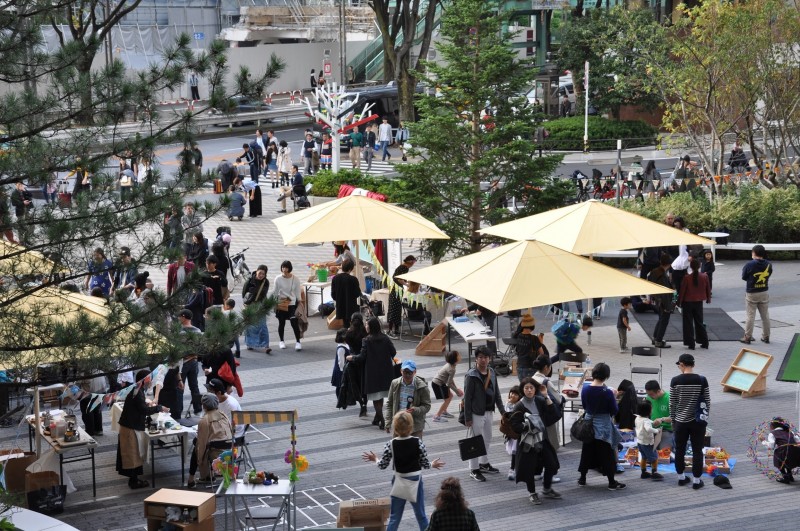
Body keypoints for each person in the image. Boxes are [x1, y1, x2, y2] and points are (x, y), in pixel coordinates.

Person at [362, 411, 445, 531]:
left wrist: (375, 459)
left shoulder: (391, 444)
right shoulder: (418, 442)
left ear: (395, 428)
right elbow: (425, 464)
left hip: (399, 481)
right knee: (421, 516)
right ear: (411, 426)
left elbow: (383, 465)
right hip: (415, 481)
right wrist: (433, 464)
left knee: (395, 517)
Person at [510, 377, 562, 505]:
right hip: (528, 443)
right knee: (529, 469)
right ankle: (532, 493)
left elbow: (555, 414)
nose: (529, 390)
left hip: (542, 439)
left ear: (535, 389)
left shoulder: (540, 400)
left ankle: (547, 488)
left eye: (531, 388)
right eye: (526, 388)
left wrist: (546, 396)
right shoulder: (519, 405)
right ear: (523, 390)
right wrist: (527, 426)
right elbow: (515, 425)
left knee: (551, 463)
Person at [116, 370, 168, 489]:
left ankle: (135, 479)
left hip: (131, 426)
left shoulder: (137, 390)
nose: (151, 382)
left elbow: (140, 407)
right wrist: (159, 408)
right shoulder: (137, 392)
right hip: (130, 428)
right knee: (132, 454)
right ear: (145, 380)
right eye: (150, 379)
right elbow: (144, 410)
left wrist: (146, 405)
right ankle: (133, 482)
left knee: (134, 454)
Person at [577, 362, 625, 490]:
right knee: (606, 454)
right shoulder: (607, 392)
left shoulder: (585, 389)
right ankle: (611, 482)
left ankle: (582, 478)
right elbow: (614, 410)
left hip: (588, 424)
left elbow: (585, 406)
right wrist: (614, 396)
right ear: (606, 376)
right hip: (602, 425)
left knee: (587, 452)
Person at [670, 353, 710, 490]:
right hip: (698, 422)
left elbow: (672, 403)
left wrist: (673, 420)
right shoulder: (702, 380)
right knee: (697, 450)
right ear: (693, 364)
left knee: (679, 449)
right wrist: (705, 418)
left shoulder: (675, 381)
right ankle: (697, 481)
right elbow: (707, 401)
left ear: (681, 364)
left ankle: (681, 478)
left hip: (680, 422)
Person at [464, 345, 504, 482]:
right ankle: (473, 469)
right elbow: (467, 398)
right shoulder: (471, 375)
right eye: (480, 357)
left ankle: (484, 463)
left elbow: (497, 393)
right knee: (475, 441)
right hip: (476, 413)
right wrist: (468, 417)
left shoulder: (491, 372)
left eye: (486, 357)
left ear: (489, 358)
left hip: (489, 411)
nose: (483, 360)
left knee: (487, 438)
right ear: (476, 359)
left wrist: (502, 411)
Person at [349, 317, 396, 430]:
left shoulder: (366, 340)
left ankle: (381, 418)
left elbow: (362, 357)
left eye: (367, 325)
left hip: (372, 373)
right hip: (386, 371)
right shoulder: (385, 338)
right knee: (380, 396)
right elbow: (393, 352)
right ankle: (377, 418)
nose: (365, 327)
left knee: (376, 398)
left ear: (371, 327)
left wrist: (352, 358)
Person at [186, 393, 233, 489]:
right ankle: (209, 476)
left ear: (204, 405)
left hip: (216, 454)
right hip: (229, 451)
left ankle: (192, 479)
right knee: (204, 444)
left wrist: (200, 461)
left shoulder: (204, 420)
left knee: (197, 446)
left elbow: (202, 444)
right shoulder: (223, 415)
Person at [385, 360, 431, 438]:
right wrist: (388, 422)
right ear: (401, 371)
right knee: (398, 448)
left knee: (414, 449)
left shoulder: (422, 387)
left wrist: (415, 410)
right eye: (405, 372)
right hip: (399, 424)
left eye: (410, 372)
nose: (407, 375)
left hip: (415, 426)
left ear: (415, 372)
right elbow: (390, 404)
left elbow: (427, 406)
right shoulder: (395, 383)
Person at [531, 356, 563, 454]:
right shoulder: (546, 382)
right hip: (547, 414)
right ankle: (551, 451)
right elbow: (559, 399)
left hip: (535, 414)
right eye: (550, 367)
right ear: (546, 367)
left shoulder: (531, 379)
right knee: (551, 435)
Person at [741, 244, 772, 344]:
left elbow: (744, 277)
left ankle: (747, 337)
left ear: (754, 253)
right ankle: (766, 336)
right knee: (765, 315)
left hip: (752, 292)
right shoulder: (768, 264)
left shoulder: (749, 264)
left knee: (750, 315)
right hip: (764, 291)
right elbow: (769, 274)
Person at [678, 258, 711, 350]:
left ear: (690, 267)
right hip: (699, 302)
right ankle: (705, 342)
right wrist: (708, 298)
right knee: (699, 322)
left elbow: (682, 291)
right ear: (700, 266)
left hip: (687, 302)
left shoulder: (686, 277)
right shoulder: (704, 276)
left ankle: (690, 343)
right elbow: (708, 288)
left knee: (688, 323)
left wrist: (679, 302)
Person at [340, 313, 368, 417]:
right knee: (363, 383)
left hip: (352, 361)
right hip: (364, 361)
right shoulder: (365, 333)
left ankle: (361, 404)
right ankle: (365, 402)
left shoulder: (348, 334)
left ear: (351, 321)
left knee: (354, 384)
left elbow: (346, 342)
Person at [647, 253, 674, 349]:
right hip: (663, 302)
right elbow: (664, 293)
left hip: (656, 300)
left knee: (660, 320)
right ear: (669, 264)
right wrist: (668, 307)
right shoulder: (662, 275)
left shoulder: (654, 271)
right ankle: (659, 341)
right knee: (664, 321)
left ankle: (655, 338)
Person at [274, 260, 303, 350]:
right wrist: (274, 303)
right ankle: (281, 341)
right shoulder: (278, 278)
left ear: (289, 268)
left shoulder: (295, 279)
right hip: (281, 303)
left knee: (294, 323)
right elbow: (275, 292)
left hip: (292, 303)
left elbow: (298, 292)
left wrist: (300, 302)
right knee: (281, 323)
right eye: (283, 267)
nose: (284, 269)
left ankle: (298, 342)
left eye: (286, 267)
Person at [762, 417, 800, 484]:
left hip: (783, 451)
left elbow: (771, 446)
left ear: (772, 426)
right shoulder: (789, 431)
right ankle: (790, 475)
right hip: (795, 451)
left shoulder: (772, 433)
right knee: (788, 460)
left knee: (779, 460)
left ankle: (786, 477)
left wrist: (763, 441)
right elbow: (798, 440)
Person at [243, 264, 271, 354]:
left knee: (263, 325)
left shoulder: (266, 282)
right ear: (257, 271)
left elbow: (264, 294)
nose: (261, 275)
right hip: (250, 304)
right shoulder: (249, 281)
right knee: (250, 325)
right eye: (260, 273)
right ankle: (250, 344)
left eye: (263, 274)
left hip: (261, 304)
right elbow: (244, 294)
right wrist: (246, 304)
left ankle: (266, 345)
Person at [206, 378, 245, 442]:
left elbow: (229, 427)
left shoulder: (231, 405)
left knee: (204, 440)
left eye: (211, 392)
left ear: (218, 393)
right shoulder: (216, 400)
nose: (208, 394)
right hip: (222, 429)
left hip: (233, 435)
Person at [387, 255, 417, 338]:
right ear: (410, 262)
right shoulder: (404, 268)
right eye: (413, 262)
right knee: (394, 310)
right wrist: (407, 284)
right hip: (396, 290)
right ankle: (390, 330)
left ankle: (396, 329)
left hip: (397, 290)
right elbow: (397, 278)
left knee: (396, 310)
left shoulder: (402, 267)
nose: (413, 264)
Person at [431, 350, 464, 422]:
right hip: (438, 384)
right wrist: (457, 391)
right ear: (455, 359)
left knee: (450, 396)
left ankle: (444, 411)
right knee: (447, 399)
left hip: (441, 383)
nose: (460, 356)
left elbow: (450, 380)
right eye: (458, 355)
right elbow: (448, 384)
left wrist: (456, 389)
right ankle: (436, 416)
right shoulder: (452, 369)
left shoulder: (451, 365)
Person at [635, 401, 663, 480]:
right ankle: (654, 473)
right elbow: (648, 429)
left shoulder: (638, 417)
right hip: (648, 443)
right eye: (651, 408)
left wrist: (653, 422)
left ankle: (643, 472)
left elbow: (645, 423)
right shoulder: (646, 421)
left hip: (640, 442)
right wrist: (657, 430)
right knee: (654, 458)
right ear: (648, 411)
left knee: (644, 457)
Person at [331, 259, 361, 329]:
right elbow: (357, 293)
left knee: (345, 325)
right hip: (351, 306)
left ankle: (347, 337)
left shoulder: (335, 278)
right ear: (351, 268)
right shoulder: (353, 279)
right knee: (354, 325)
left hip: (340, 305)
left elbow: (333, 294)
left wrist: (338, 299)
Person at [512, 314, 543, 382]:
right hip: (530, 367)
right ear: (532, 326)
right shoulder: (534, 338)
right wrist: (540, 343)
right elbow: (541, 353)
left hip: (519, 366)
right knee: (531, 387)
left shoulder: (518, 336)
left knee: (524, 388)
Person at [644, 380, 672, 452]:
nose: (649, 396)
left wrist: (661, 420)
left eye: (651, 394)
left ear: (658, 391)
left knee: (665, 453)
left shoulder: (669, 398)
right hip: (651, 429)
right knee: (646, 451)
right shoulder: (649, 398)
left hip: (666, 430)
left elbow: (675, 417)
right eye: (648, 394)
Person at [504, 386, 522, 480]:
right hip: (511, 432)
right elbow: (505, 415)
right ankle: (513, 469)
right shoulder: (508, 403)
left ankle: (512, 469)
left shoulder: (520, 404)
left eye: (515, 394)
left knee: (516, 451)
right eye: (512, 393)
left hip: (518, 431)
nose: (513, 395)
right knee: (515, 451)